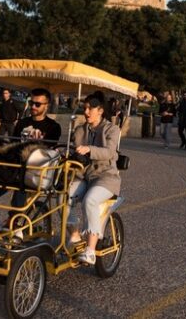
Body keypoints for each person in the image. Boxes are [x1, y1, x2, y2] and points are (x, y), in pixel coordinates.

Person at [0, 88, 61, 233]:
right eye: (31, 103)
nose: (33, 107)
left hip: (34, 172)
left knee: (21, 185)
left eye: (38, 104)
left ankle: (14, 221)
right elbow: (14, 146)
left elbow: (47, 154)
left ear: (46, 105)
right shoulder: (22, 123)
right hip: (14, 169)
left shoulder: (53, 127)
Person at [66, 92, 121, 265]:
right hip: (84, 175)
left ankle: (90, 251)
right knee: (62, 196)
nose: (87, 112)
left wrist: (90, 149)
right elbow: (70, 150)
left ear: (100, 110)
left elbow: (110, 153)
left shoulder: (111, 129)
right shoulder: (79, 129)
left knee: (90, 200)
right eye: (85, 108)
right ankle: (75, 235)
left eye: (91, 108)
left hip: (106, 177)